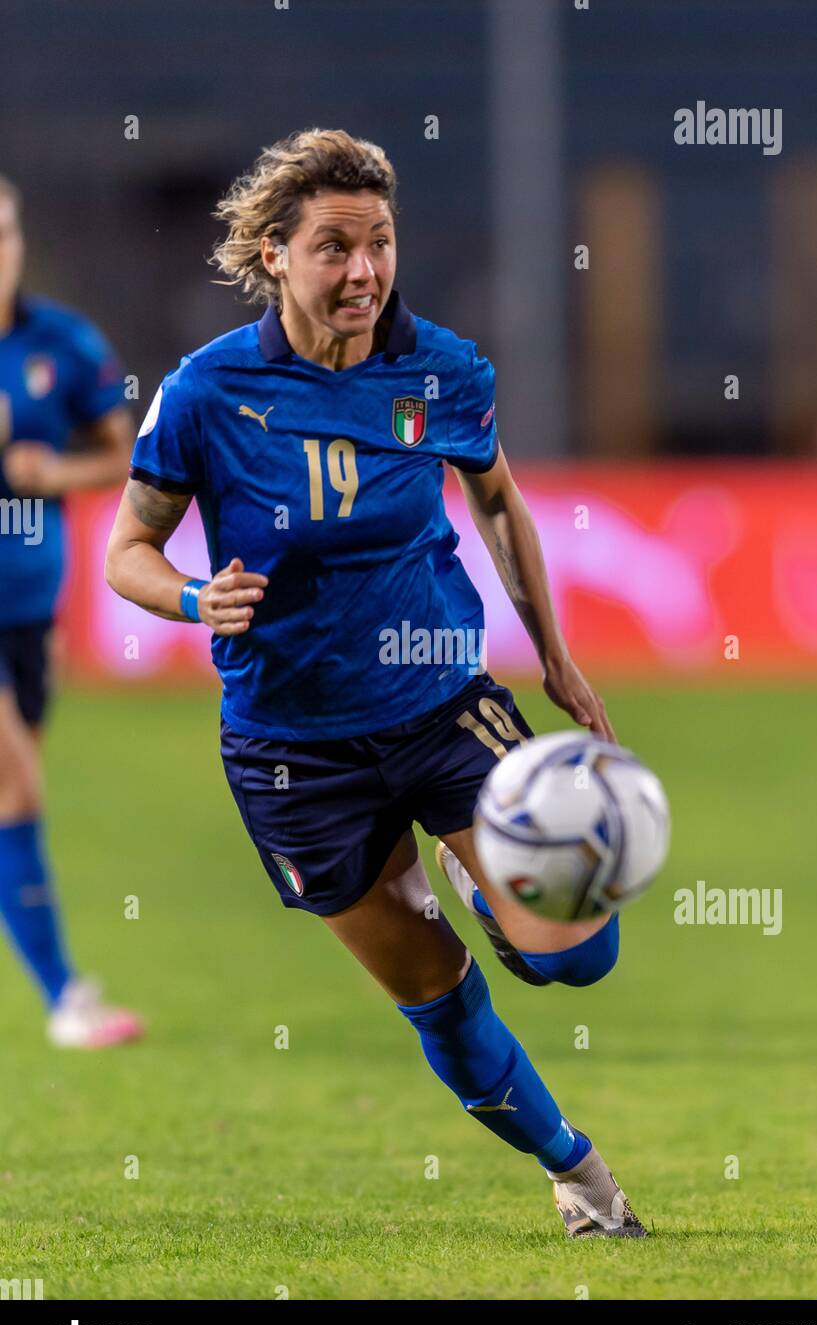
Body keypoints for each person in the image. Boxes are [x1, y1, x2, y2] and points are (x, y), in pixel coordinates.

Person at [105, 129, 644, 1237]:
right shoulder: (207, 392)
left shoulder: (440, 369)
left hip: (445, 705)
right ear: (274, 255)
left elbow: (495, 501)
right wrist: (192, 599)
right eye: (334, 247)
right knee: (435, 999)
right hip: (291, 750)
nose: (363, 271)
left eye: (380, 243)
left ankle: (490, 885)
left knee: (579, 952)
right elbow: (127, 552)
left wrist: (551, 652)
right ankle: (579, 1178)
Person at [0, 174, 144, 1047]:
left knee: (7, 797)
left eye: (7, 231)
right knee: (16, 783)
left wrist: (48, 475)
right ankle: (66, 996)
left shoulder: (63, 344)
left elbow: (120, 458)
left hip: (28, 613)